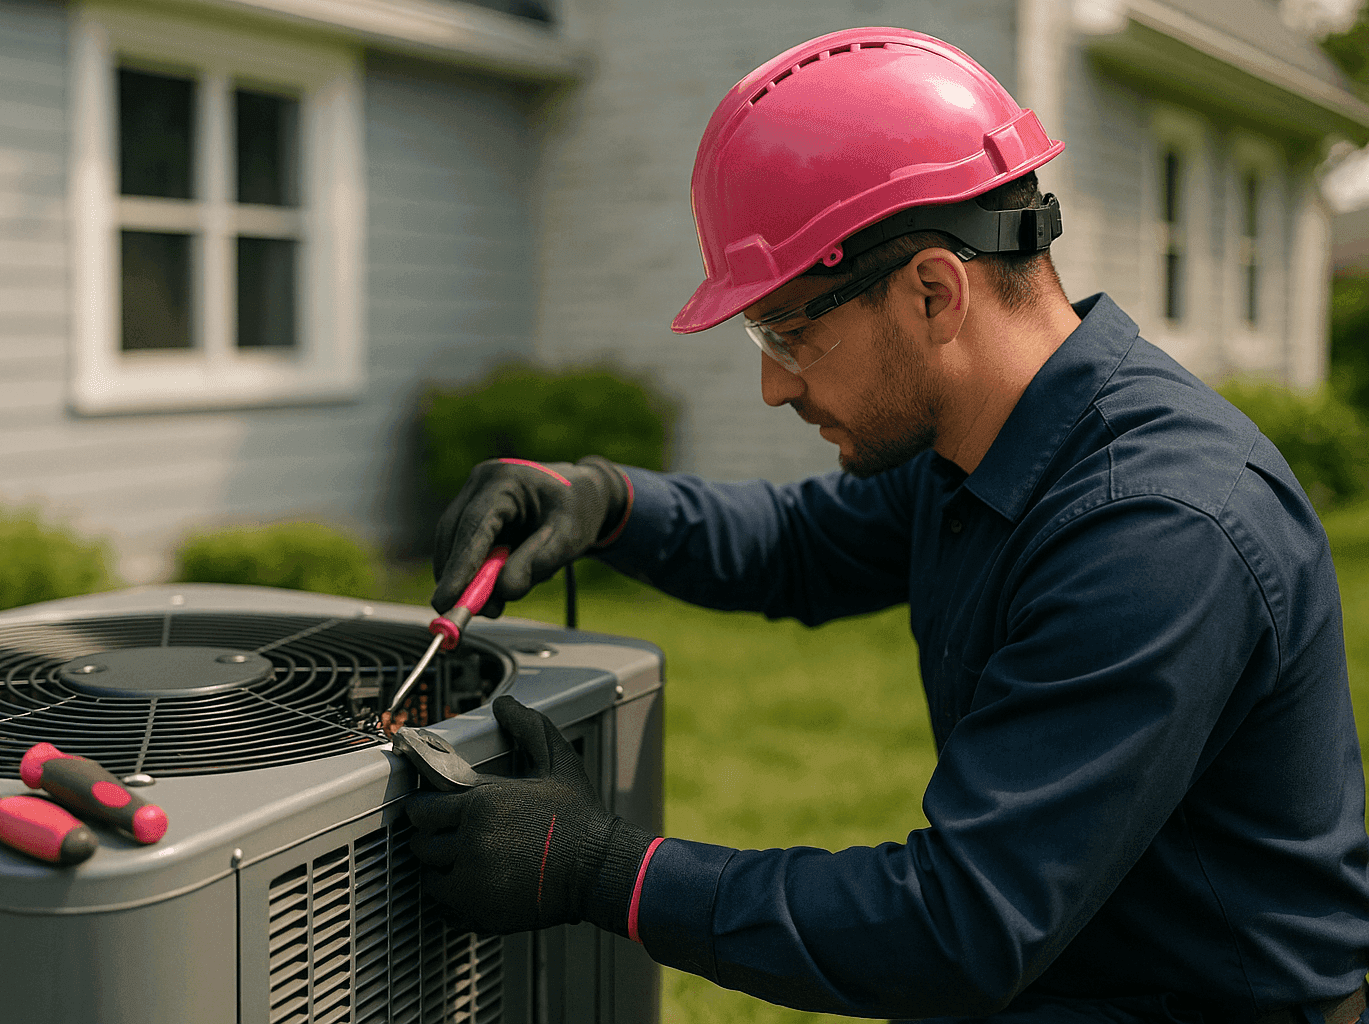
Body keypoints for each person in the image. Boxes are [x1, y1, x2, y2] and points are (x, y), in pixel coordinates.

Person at [404, 26, 1369, 1024]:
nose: (774, 384)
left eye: (790, 330)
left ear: (933, 292)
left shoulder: (1156, 530)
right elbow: (802, 544)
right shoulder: (996, 442)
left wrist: (601, 870)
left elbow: (957, 926)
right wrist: (603, 501)